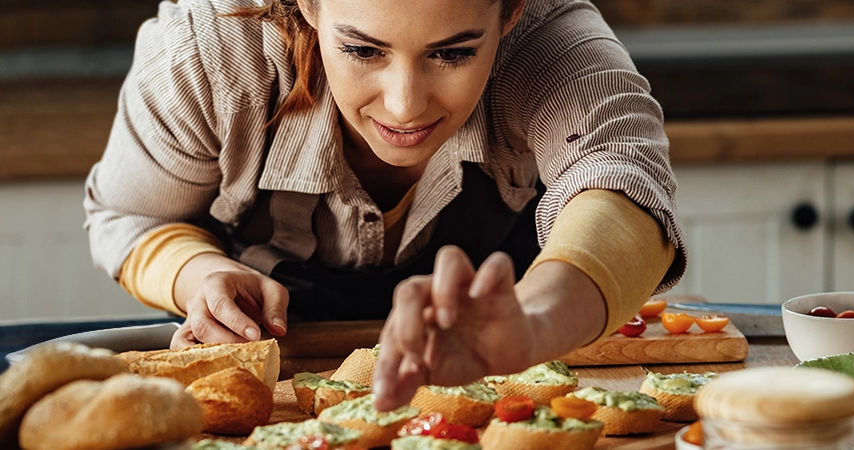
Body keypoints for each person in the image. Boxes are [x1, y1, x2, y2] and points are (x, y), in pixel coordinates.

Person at [82, 0, 685, 411]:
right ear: (309, 7)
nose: (404, 106)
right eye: (363, 51)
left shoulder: (555, 48)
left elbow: (624, 186)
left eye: (452, 54)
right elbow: (132, 216)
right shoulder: (207, 52)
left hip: (509, 374)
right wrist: (199, 276)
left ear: (510, 15)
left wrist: (535, 325)